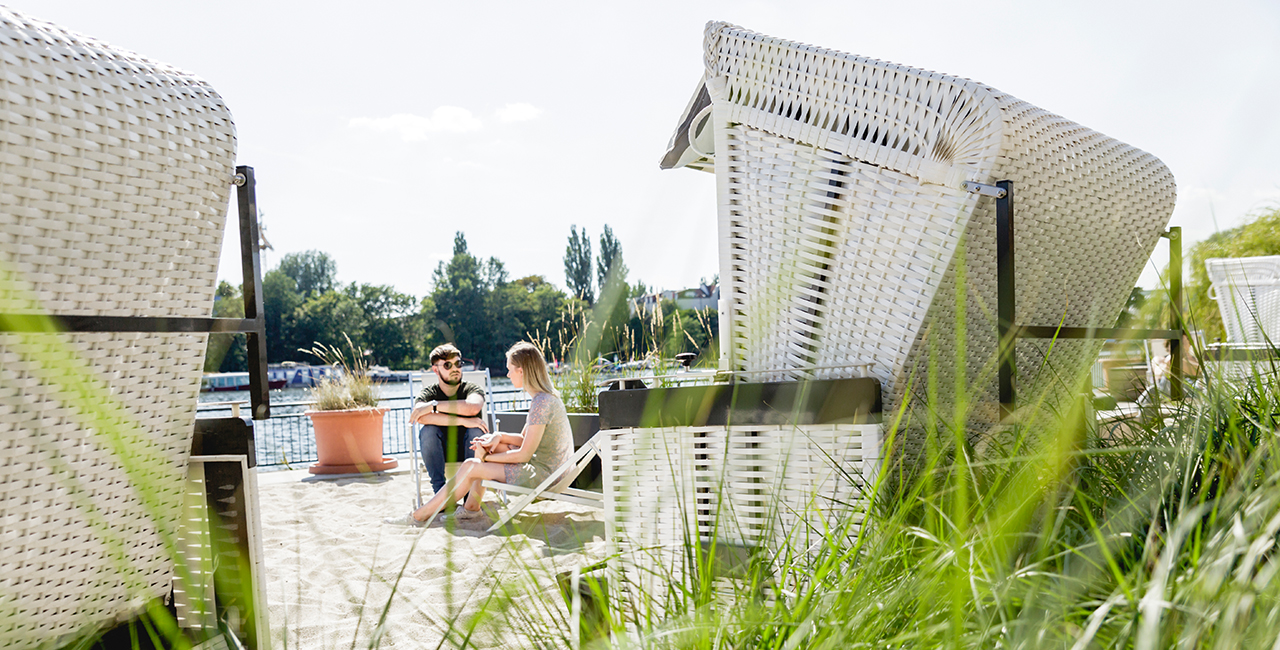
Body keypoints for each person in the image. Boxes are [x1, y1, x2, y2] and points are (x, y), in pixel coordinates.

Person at [386, 341, 572, 526]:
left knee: (471, 465)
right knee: (483, 446)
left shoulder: (541, 403)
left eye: (509, 369)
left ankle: (419, 515)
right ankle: (472, 508)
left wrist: (485, 458)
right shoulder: (544, 398)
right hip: (549, 469)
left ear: (521, 371)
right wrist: (498, 437)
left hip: (543, 476)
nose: (507, 374)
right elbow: (524, 439)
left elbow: (524, 454)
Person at [410, 344, 489, 495]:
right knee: (428, 431)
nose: (455, 369)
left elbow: (473, 407)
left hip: (470, 450)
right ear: (435, 370)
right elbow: (419, 416)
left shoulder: (471, 389)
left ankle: (469, 497)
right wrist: (463, 420)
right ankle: (440, 495)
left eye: (458, 364)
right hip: (440, 452)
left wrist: (433, 407)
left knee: (475, 430)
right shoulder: (429, 393)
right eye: (447, 365)